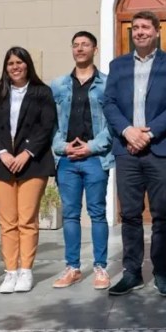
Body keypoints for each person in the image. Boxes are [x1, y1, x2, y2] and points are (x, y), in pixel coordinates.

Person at [102, 10, 166, 297]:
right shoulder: (118, 66)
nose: (139, 32)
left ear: (156, 32)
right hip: (127, 150)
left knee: (162, 214)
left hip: (160, 149)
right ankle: (132, 273)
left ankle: (163, 273)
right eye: (135, 27)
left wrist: (148, 134)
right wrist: (128, 131)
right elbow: (110, 103)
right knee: (129, 214)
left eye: (145, 27)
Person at [0, 47, 57, 294]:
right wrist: (3, 153)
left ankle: (26, 270)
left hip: (33, 163)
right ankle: (10, 272)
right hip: (2, 164)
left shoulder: (42, 92)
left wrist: (26, 153)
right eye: (10, 63)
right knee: (7, 221)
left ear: (27, 65)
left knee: (27, 219)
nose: (15, 67)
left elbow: (46, 127)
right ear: (5, 67)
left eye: (20, 62)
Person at [50, 32, 115, 290]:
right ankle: (73, 267)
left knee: (98, 214)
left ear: (95, 49)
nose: (80, 49)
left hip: (95, 158)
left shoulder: (107, 84)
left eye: (85, 45)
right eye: (75, 45)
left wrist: (91, 147)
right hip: (66, 159)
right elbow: (51, 123)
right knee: (70, 215)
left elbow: (112, 122)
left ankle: (100, 268)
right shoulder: (58, 85)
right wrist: (62, 146)